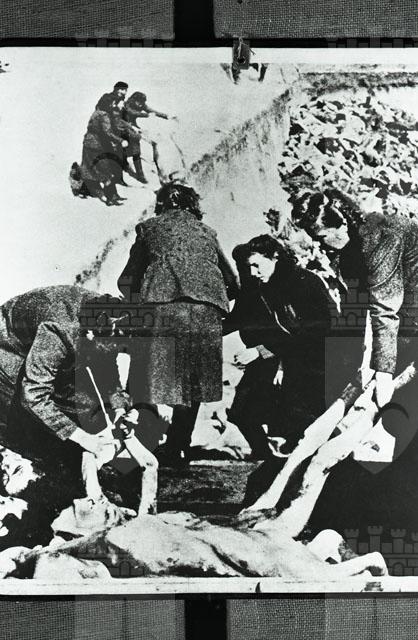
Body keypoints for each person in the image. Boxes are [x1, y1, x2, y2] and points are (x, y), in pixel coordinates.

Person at [292, 188, 418, 535]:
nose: (320, 243)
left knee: (399, 421)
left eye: (322, 235)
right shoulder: (349, 250)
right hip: (404, 330)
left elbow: (385, 310)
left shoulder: (381, 237)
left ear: (342, 223)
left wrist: (384, 373)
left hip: (408, 327)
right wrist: (366, 364)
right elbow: (360, 310)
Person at [0, 285, 157, 544]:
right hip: (8, 348)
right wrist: (85, 439)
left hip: (53, 341)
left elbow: (106, 367)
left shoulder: (109, 319)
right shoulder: (61, 329)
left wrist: (120, 409)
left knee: (76, 413)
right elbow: (34, 395)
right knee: (33, 429)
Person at [118, 181, 239, 466]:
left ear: (161, 205)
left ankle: (138, 445)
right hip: (207, 311)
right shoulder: (207, 232)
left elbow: (126, 280)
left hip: (164, 306)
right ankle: (178, 448)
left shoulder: (149, 228)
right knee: (192, 384)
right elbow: (233, 283)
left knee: (144, 376)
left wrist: (139, 301)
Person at [236, 235, 333, 507]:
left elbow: (313, 331)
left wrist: (263, 351)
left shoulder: (304, 283)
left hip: (319, 366)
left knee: (299, 430)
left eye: (257, 265)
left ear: (275, 257)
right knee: (280, 426)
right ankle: (276, 494)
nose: (253, 273)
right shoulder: (271, 286)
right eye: (250, 267)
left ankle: (282, 496)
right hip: (296, 363)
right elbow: (285, 332)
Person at [80, 95, 126, 206]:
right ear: (108, 104)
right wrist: (120, 140)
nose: (114, 105)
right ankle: (110, 198)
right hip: (96, 145)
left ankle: (111, 195)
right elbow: (107, 132)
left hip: (88, 143)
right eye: (113, 103)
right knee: (106, 170)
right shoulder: (104, 115)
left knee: (89, 168)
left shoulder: (96, 112)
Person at [122, 91, 176, 183]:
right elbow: (133, 113)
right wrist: (146, 115)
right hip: (123, 127)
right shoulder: (127, 104)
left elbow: (152, 111)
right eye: (139, 102)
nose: (140, 105)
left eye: (142, 103)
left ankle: (142, 174)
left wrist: (167, 116)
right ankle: (138, 174)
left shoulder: (140, 104)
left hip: (133, 127)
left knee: (142, 148)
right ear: (134, 100)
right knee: (133, 149)